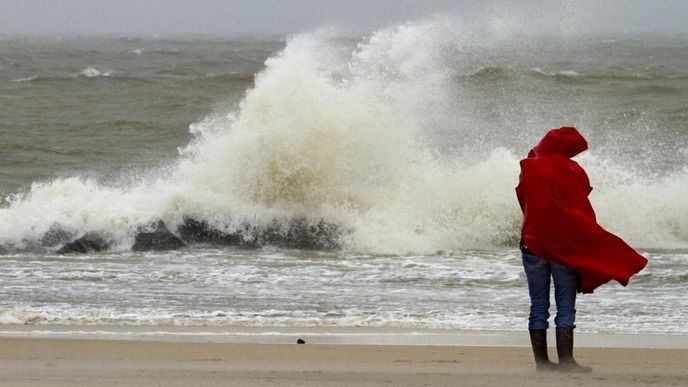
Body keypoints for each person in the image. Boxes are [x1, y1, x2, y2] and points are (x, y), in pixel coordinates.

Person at [515, 127, 647, 373]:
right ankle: (566, 361)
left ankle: (542, 364)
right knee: (565, 304)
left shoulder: (528, 166)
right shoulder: (572, 169)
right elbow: (580, 203)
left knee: (538, 305)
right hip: (563, 247)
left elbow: (524, 201)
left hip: (532, 244)